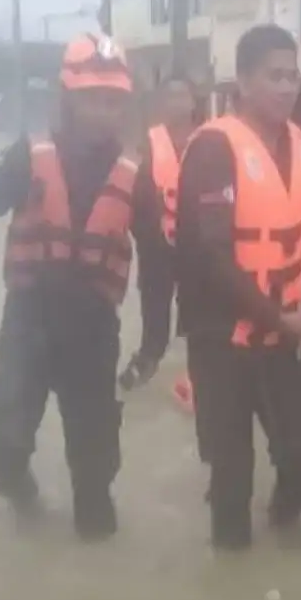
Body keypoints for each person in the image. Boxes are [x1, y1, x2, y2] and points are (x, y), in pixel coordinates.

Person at [0, 33, 171, 541]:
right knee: (2, 439)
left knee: (94, 475)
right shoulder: (29, 155)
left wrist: (153, 344)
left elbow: (156, 263)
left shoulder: (137, 176)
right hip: (29, 319)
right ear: (68, 97)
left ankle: (93, 567)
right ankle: (24, 501)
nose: (104, 112)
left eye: (113, 101)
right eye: (92, 99)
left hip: (93, 331)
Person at [173, 24, 301, 551]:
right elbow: (211, 257)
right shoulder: (215, 148)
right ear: (242, 81)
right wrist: (277, 318)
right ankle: (232, 570)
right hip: (223, 340)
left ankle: (282, 525)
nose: (287, 88)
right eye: (274, 76)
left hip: (284, 334)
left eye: (293, 76)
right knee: (233, 481)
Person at [119, 76, 197, 402]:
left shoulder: (209, 141)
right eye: (172, 96)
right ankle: (141, 370)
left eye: (184, 95)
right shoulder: (147, 145)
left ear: (194, 102)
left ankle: (199, 382)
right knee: (156, 330)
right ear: (162, 105)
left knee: (201, 326)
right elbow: (130, 193)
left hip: (199, 252)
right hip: (155, 251)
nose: (178, 102)